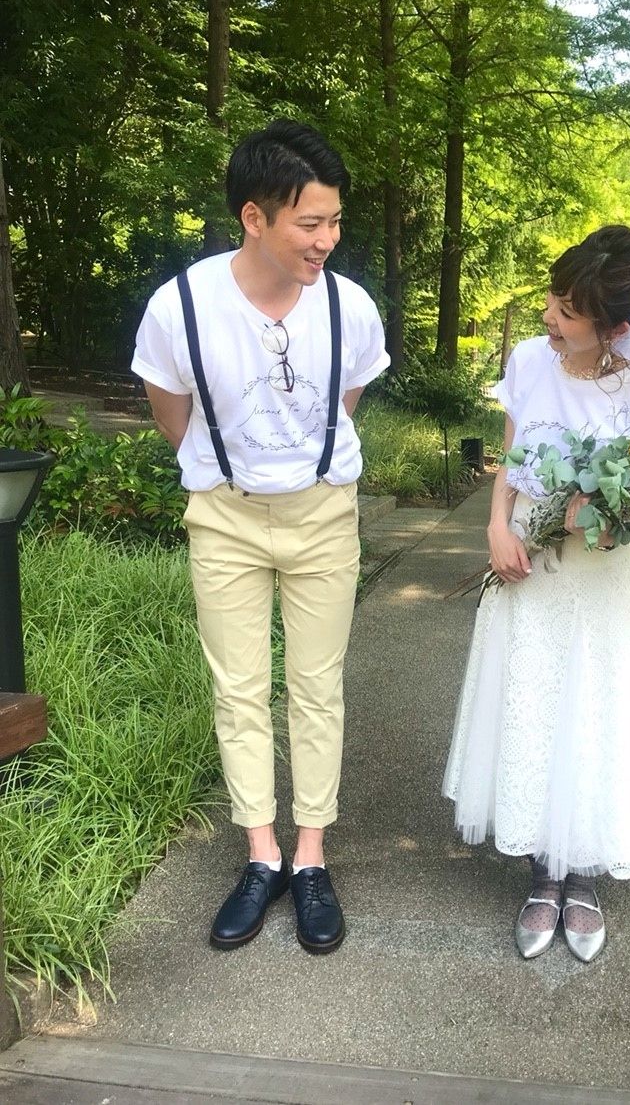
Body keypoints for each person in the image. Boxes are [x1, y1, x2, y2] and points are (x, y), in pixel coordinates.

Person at [132, 119, 389, 954]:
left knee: (317, 686)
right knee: (238, 688)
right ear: (253, 216)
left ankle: (310, 856)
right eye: (310, 223)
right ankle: (261, 853)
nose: (327, 239)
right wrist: (226, 472)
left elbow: (344, 401)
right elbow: (170, 408)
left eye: (335, 221)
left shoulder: (350, 306)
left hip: (324, 512)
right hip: (225, 517)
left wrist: (299, 467)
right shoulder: (181, 305)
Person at [442, 217, 630, 962]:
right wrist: (496, 528)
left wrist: (602, 521)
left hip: (598, 580)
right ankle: (542, 871)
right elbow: (511, 459)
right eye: (553, 299)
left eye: (568, 312)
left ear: (617, 328)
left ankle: (584, 874)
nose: (550, 316)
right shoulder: (530, 360)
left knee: (592, 710)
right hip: (526, 566)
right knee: (532, 703)